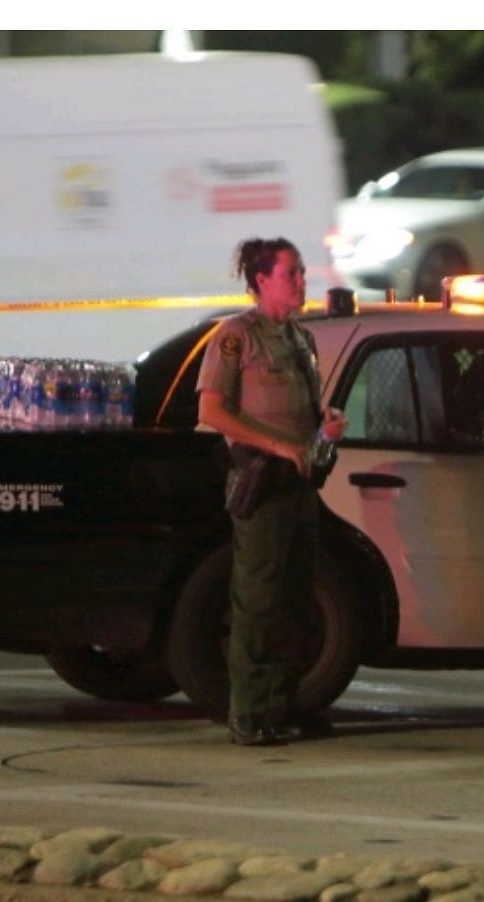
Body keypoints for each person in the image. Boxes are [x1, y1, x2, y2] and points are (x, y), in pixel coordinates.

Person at [196, 237, 346, 747]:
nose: (303, 282)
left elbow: (299, 407)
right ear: (262, 281)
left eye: (302, 272)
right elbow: (213, 412)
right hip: (262, 482)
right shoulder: (237, 337)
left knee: (296, 600)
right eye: (293, 274)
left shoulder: (298, 339)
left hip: (298, 484)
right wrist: (278, 445)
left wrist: (323, 423)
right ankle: (249, 712)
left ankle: (284, 704)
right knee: (257, 600)